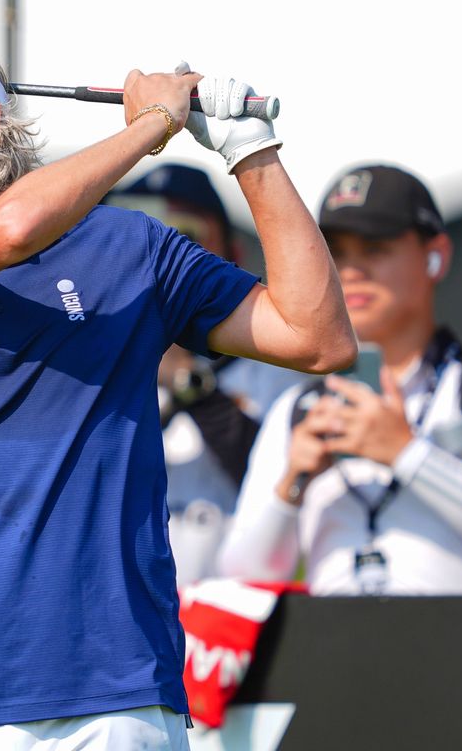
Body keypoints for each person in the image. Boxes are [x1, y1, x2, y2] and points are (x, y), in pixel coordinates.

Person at [0, 20, 354, 748]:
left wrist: (250, 153)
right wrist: (155, 126)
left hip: (118, 707)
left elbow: (317, 337)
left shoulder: (128, 247)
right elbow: (10, 233)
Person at [218, 164, 462, 595]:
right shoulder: (297, 408)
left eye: (375, 247)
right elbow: (237, 581)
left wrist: (407, 454)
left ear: (436, 256)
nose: (350, 270)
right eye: (336, 251)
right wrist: (293, 483)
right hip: (331, 654)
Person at [104, 164, 309, 586]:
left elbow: (279, 477)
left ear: (233, 255)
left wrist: (188, 382)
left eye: (184, 237)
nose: (161, 259)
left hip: (232, 614)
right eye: (141, 238)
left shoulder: (277, 366)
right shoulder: (95, 360)